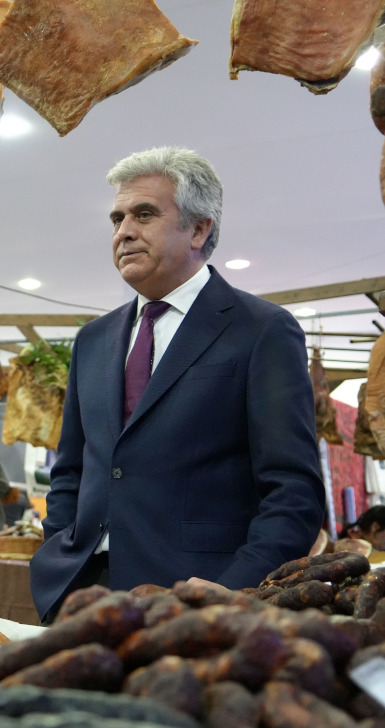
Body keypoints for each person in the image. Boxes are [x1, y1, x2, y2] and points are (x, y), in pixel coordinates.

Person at [31, 147, 325, 621]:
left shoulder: (261, 329)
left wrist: (234, 588)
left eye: (144, 214)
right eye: (118, 218)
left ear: (199, 229)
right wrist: (57, 551)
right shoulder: (93, 340)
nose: (124, 231)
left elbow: (294, 491)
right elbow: (71, 469)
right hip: (80, 594)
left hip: (197, 601)